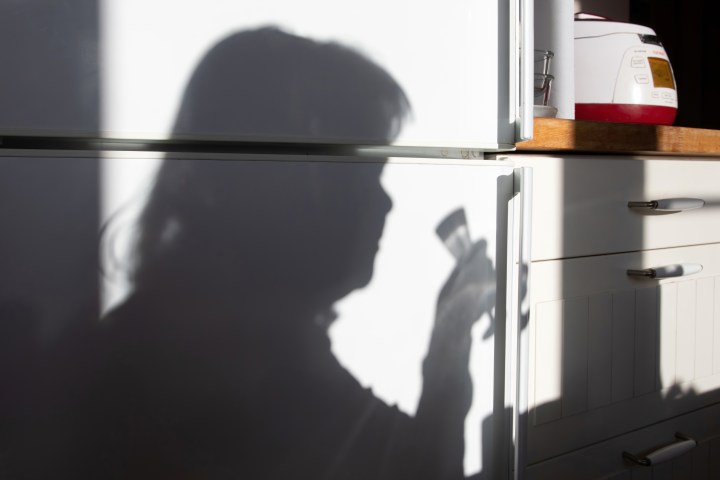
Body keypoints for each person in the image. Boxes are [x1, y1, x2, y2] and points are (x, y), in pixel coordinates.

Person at [30, 27, 494, 479]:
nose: (384, 201)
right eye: (360, 175)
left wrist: (450, 340)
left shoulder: (276, 355)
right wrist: (448, 349)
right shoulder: (168, 386)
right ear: (268, 185)